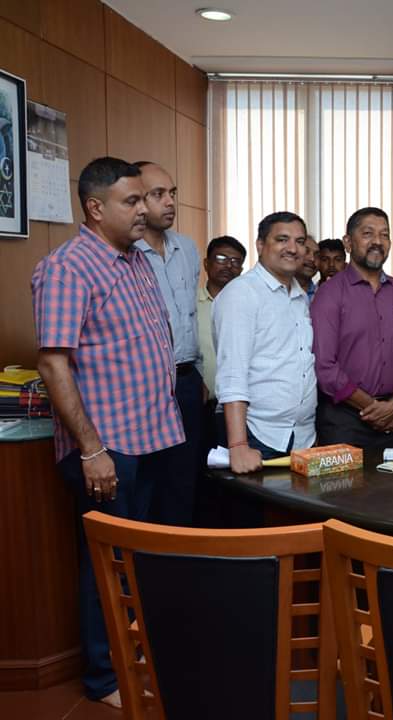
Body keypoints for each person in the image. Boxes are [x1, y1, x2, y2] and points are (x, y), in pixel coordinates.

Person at [32, 157, 185, 707]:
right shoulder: (69, 267)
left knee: (136, 558)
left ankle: (135, 654)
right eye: (131, 201)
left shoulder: (135, 259)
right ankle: (104, 678)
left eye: (144, 199)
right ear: (95, 208)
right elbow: (54, 364)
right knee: (105, 563)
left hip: (150, 437)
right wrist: (91, 449)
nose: (144, 209)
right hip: (107, 448)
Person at [213, 212, 316, 473]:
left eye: (299, 241)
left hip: (303, 437)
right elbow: (232, 373)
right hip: (257, 436)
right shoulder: (241, 294)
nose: (292, 248)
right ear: (260, 245)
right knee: (258, 515)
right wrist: (238, 445)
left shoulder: (300, 295)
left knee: (299, 515)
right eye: (282, 239)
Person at [311, 207, 393, 449]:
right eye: (368, 233)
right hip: (343, 420)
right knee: (344, 488)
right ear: (348, 242)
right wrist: (373, 409)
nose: (377, 242)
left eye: (384, 234)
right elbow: (325, 366)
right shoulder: (329, 294)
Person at [133, 161, 202, 526]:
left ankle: (182, 566)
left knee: (183, 482)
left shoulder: (188, 249)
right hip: (148, 386)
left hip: (187, 381)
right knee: (148, 482)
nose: (169, 202)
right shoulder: (127, 254)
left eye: (172, 193)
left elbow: (189, 318)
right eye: (158, 194)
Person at [196, 235, 246, 403]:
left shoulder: (248, 305)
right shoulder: (190, 304)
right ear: (206, 264)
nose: (228, 266)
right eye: (221, 258)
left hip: (240, 399)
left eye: (235, 261)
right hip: (202, 400)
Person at [297, 234, 319, 300]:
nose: (312, 258)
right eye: (306, 251)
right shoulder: (278, 292)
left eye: (317, 255)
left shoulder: (322, 293)